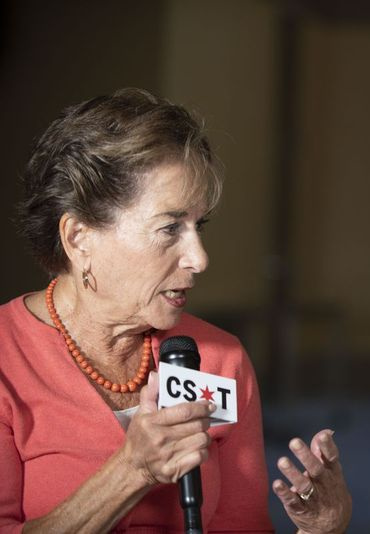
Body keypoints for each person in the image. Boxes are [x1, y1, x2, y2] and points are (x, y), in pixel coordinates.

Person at [0, 88, 351, 533]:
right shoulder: (6, 359)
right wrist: (132, 470)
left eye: (197, 226)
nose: (199, 258)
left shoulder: (221, 359)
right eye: (170, 228)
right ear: (78, 238)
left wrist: (321, 531)